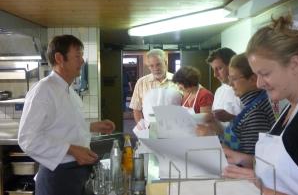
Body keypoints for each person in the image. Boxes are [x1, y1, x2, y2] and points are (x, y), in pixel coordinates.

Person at [18, 35, 116, 195]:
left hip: (76, 174)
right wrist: (72, 150)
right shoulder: (43, 91)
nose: (82, 61)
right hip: (57, 177)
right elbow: (28, 139)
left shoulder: (69, 91)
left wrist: (92, 126)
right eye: (77, 56)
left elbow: (62, 125)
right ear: (59, 58)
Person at [223, 15, 298, 195]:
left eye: (265, 73)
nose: (258, 84)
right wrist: (243, 160)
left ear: (295, 64)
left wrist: (261, 190)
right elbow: (283, 171)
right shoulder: (289, 108)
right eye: (256, 75)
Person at [214, 53, 274, 156]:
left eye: (234, 79)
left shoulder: (256, 113)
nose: (230, 84)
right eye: (230, 78)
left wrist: (213, 138)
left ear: (253, 80)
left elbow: (249, 160)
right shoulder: (252, 105)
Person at [129, 49, 181, 129]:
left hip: (175, 128)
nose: (156, 68)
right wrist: (142, 129)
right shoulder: (141, 82)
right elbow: (136, 108)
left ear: (165, 63)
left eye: (158, 64)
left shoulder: (178, 80)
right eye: (151, 66)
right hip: (151, 128)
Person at [206, 48, 242, 124]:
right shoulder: (219, 91)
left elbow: (253, 123)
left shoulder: (245, 90)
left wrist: (232, 118)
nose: (215, 75)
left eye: (219, 68)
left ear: (231, 65)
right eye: (213, 70)